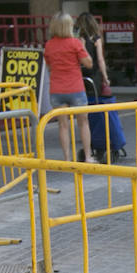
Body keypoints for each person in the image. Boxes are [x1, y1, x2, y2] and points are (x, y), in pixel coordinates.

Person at [43, 12, 95, 162]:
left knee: (63, 125)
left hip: (57, 89)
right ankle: (87, 156)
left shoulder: (49, 45)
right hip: (75, 88)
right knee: (83, 122)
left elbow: (48, 64)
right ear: (68, 27)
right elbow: (89, 63)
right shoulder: (75, 43)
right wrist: (83, 47)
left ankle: (66, 158)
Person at [76, 13, 127, 161]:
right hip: (94, 79)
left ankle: (92, 144)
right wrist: (105, 78)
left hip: (80, 79)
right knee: (99, 107)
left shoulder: (78, 40)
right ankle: (106, 141)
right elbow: (100, 60)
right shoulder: (96, 39)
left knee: (86, 112)